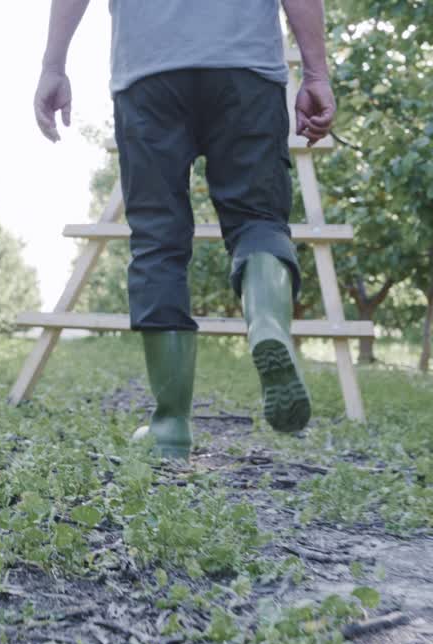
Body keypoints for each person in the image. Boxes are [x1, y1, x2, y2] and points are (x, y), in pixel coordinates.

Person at [34, 0, 336, 458]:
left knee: (157, 241)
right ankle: (267, 322)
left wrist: (53, 66)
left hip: (149, 70)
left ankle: (171, 424)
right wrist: (316, 75)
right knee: (259, 220)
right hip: (246, 68)